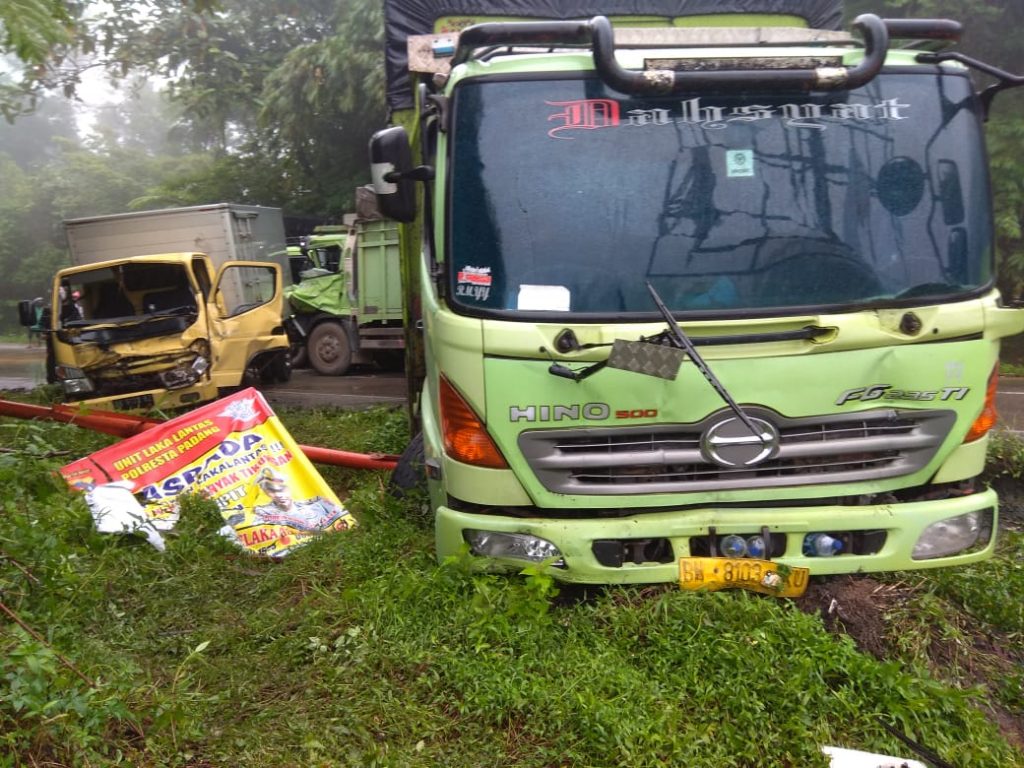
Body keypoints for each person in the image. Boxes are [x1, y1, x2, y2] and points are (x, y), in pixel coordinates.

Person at [249, 468, 345, 531]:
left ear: (289, 488)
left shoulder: (318, 503)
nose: (278, 495)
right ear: (267, 493)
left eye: (281, 489)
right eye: (272, 491)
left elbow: (346, 519)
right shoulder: (264, 512)